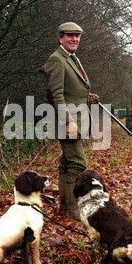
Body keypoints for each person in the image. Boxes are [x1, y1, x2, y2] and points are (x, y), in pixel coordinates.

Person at [44, 22, 98, 220]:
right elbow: (56, 95)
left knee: (67, 163)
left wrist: (87, 97)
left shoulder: (72, 58)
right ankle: (74, 211)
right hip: (66, 122)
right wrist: (68, 122)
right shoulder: (56, 60)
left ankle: (66, 209)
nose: (74, 39)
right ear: (61, 38)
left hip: (77, 119)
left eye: (77, 36)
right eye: (70, 36)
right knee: (78, 163)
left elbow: (72, 89)